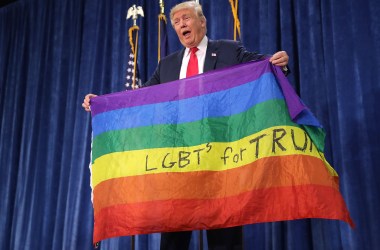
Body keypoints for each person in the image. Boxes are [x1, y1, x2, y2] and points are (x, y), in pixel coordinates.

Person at [82, 1, 289, 249]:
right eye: (177, 22)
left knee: (225, 236)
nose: (182, 25)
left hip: (219, 158)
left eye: (186, 19)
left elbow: (261, 65)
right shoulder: (167, 65)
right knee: (173, 239)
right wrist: (103, 103)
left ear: (202, 22)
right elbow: (140, 98)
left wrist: (278, 62)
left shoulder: (227, 50)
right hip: (179, 159)